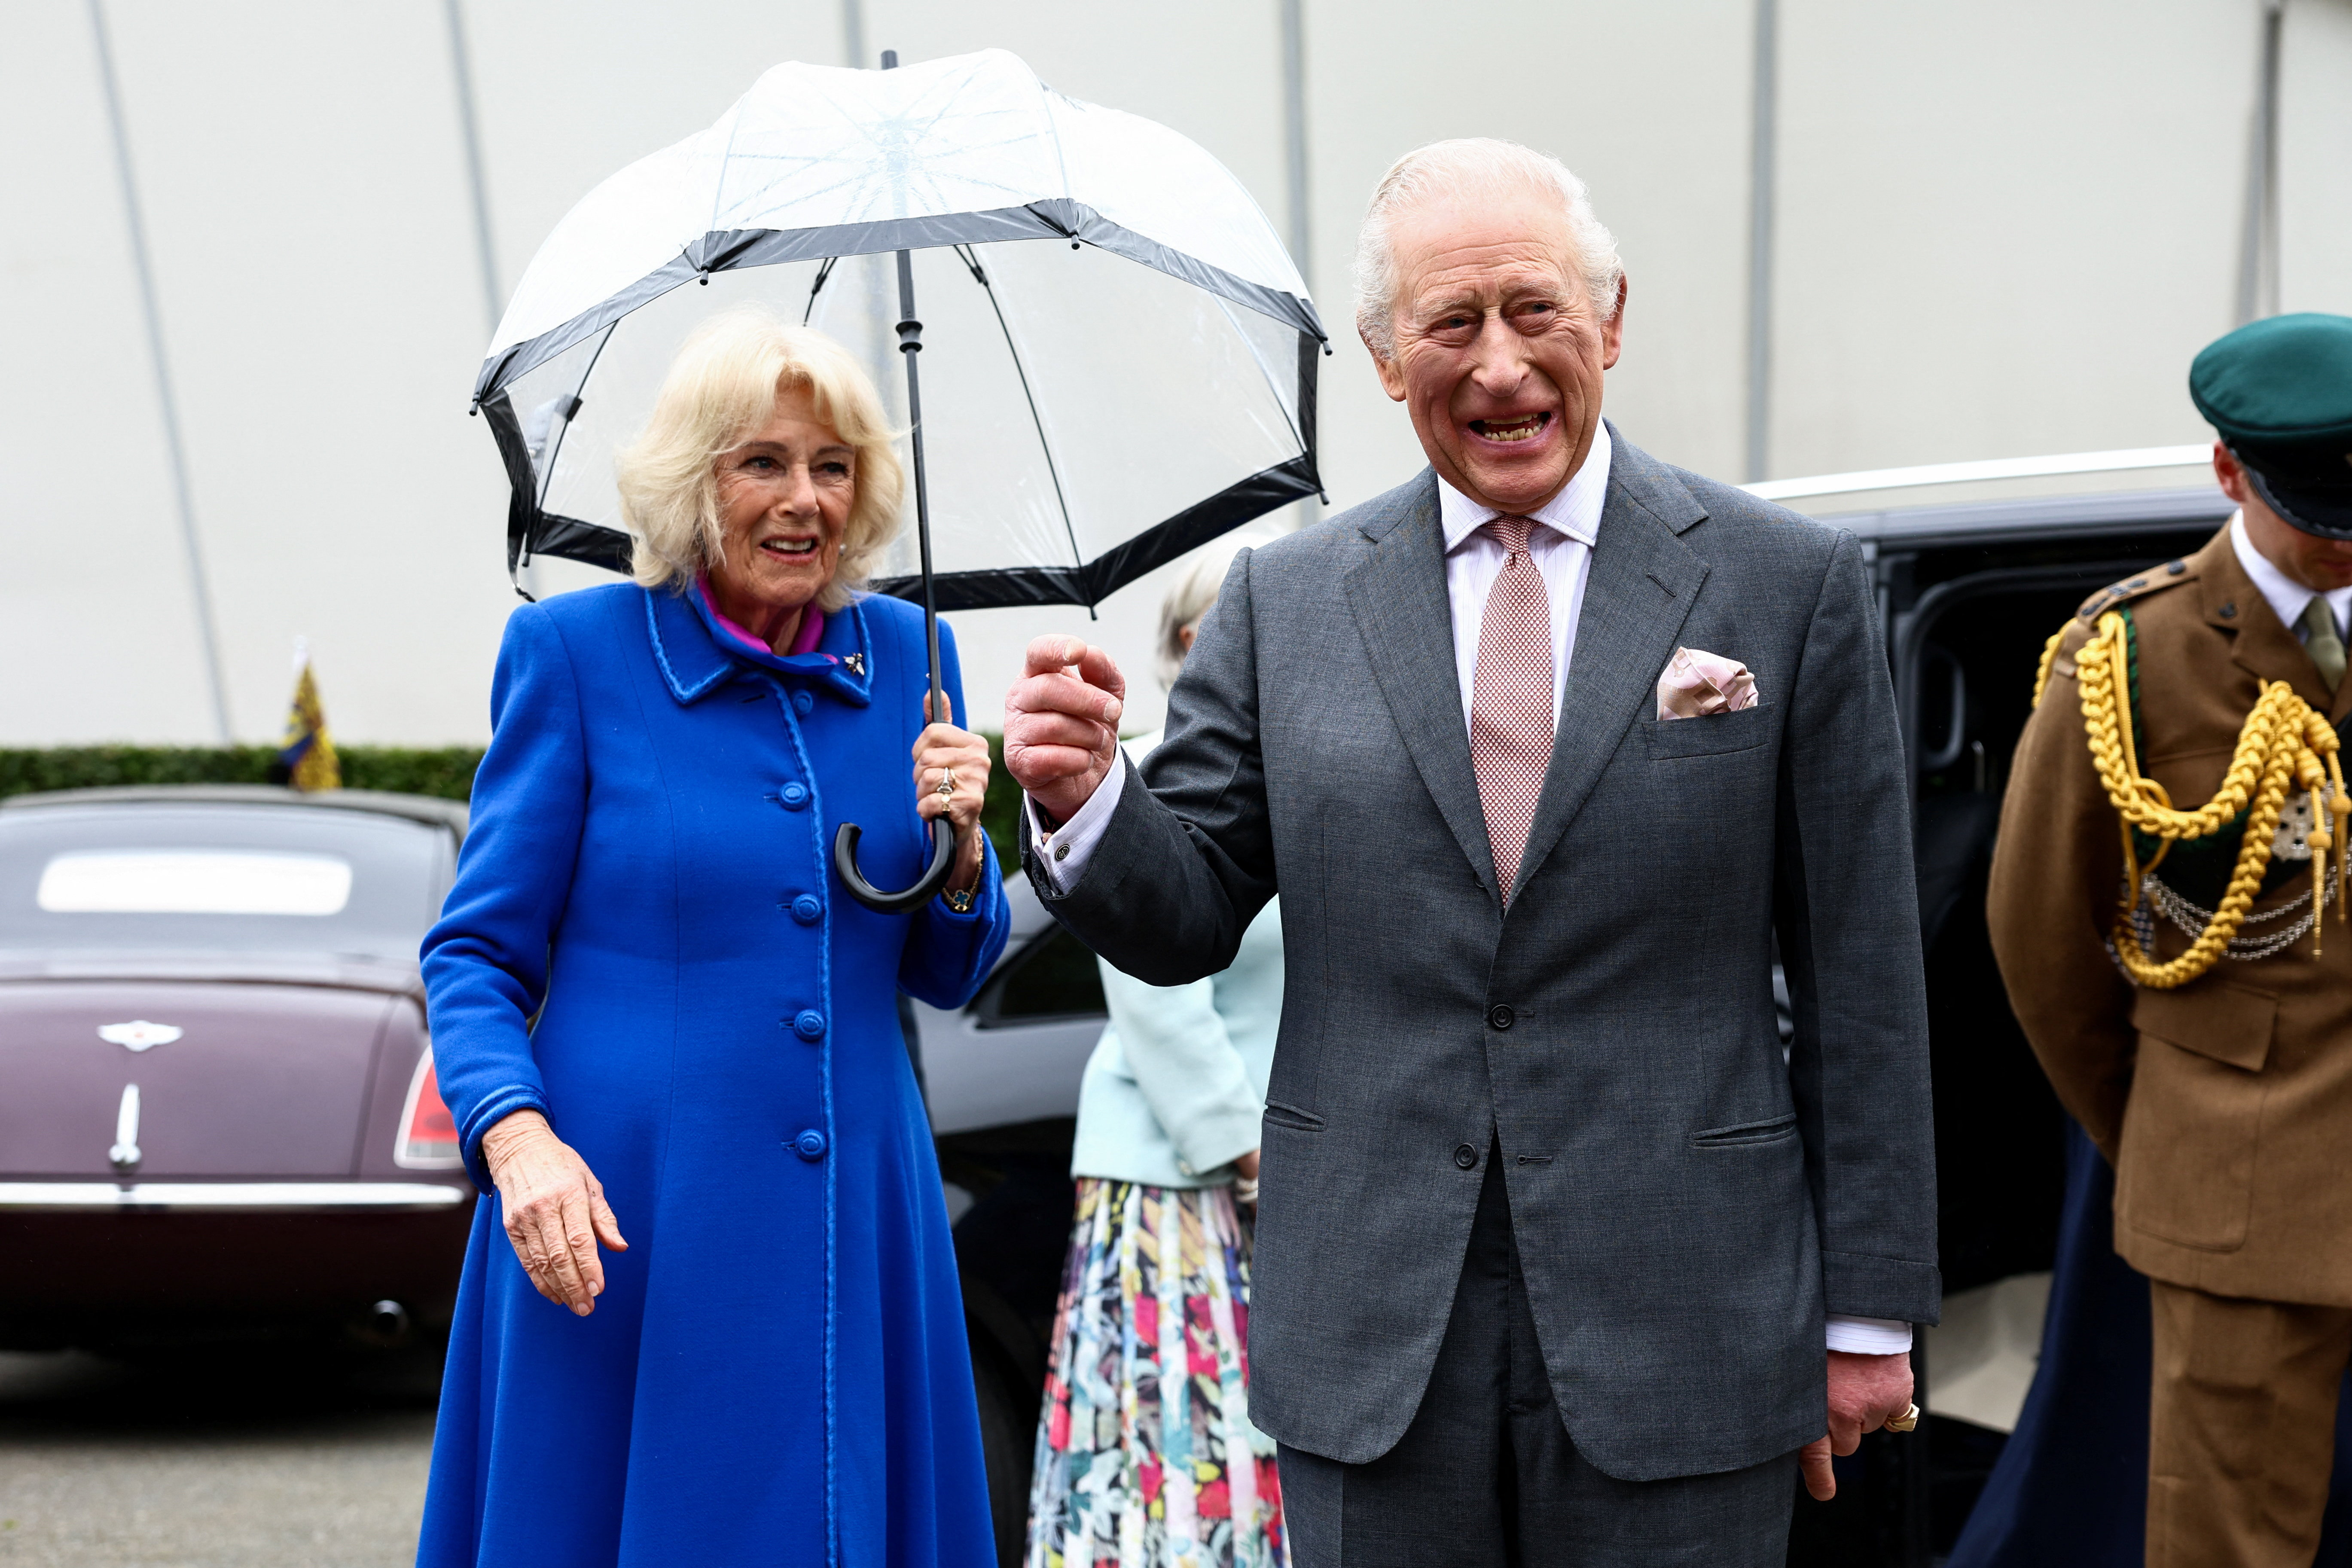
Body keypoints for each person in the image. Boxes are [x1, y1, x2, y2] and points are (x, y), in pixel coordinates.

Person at [1001, 138, 1937, 1567]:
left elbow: (1859, 975)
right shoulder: (1282, 603)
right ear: (1387, 358)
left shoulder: (1782, 584)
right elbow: (1184, 911)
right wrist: (1083, 802)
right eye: (1450, 322)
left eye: (1533, 309)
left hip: (1688, 1315)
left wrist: (1865, 1317)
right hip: (1374, 1335)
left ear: (1608, 320)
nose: (1499, 364)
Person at [413, 309, 1011, 1568]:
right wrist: (517, 1143)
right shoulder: (574, 654)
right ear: (694, 481)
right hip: (624, 1214)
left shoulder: (916, 657)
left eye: (834, 466)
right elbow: (473, 959)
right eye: (764, 463)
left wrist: (966, 847)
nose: (805, 499)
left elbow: (947, 970)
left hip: (859, 1210)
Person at [1983, 311, 2352, 1568]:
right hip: (2239, 1194)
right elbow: (2044, 950)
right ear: (2228, 473)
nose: (2343, 542)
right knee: (2228, 1539)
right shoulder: (2128, 658)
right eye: (2316, 512)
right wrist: (2178, 1132)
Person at [1026, 536, 1288, 1568]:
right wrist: (1249, 1153)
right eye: (1231, 627)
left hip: (1297, 1177)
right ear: (1185, 645)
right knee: (1178, 1464)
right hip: (1179, 1181)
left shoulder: (1308, 775)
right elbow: (1154, 998)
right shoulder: (1141, 770)